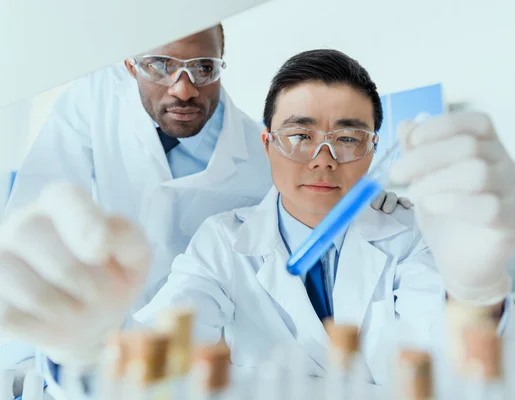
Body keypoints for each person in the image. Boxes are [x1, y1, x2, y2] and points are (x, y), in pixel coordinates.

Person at [0, 25, 404, 390]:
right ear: (129, 65)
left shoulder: (402, 234)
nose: (183, 88)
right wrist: (61, 349)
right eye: (160, 65)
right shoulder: (94, 102)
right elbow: (32, 228)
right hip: (130, 331)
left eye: (203, 68)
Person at [135, 49, 515, 387]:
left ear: (374, 150)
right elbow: (164, 341)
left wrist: (476, 292)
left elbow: (460, 375)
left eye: (346, 139)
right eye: (300, 136)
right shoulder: (223, 240)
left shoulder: (414, 233)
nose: (323, 159)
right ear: (267, 145)